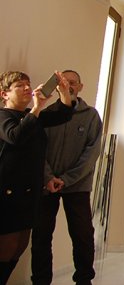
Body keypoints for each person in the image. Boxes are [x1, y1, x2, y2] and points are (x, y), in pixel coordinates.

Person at [0, 71, 75, 285]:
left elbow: (63, 114)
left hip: (28, 193)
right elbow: (15, 136)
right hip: (7, 195)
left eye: (28, 84)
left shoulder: (32, 116)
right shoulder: (3, 116)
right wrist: (36, 108)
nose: (27, 88)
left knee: (18, 248)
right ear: (4, 94)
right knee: (5, 249)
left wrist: (63, 92)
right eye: (19, 85)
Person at [31, 70, 103, 285]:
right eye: (63, 82)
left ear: (80, 87)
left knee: (82, 234)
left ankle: (84, 279)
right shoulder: (47, 114)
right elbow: (38, 150)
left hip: (77, 185)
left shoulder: (91, 116)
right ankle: (41, 280)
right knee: (41, 234)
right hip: (47, 185)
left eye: (73, 82)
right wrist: (48, 177)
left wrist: (68, 179)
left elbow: (92, 152)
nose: (68, 85)